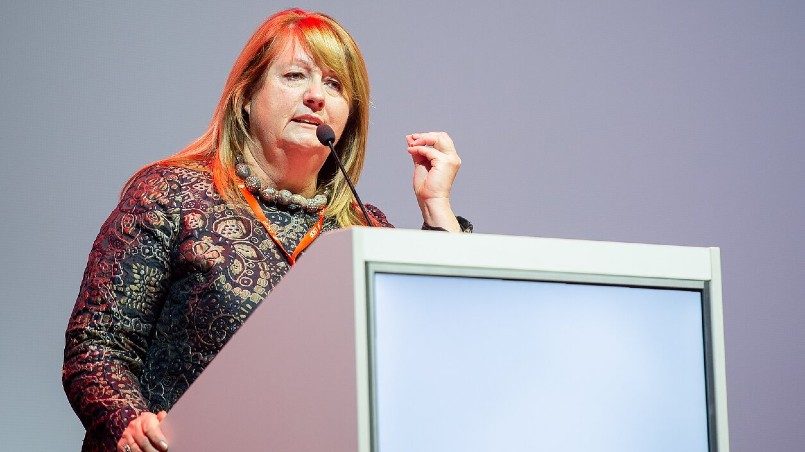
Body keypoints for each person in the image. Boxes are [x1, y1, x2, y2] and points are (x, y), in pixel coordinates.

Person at [62, 8, 471, 452]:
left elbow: (436, 350)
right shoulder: (172, 194)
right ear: (246, 96)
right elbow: (98, 344)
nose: (316, 96)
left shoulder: (362, 229)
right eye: (295, 75)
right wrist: (129, 423)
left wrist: (436, 207)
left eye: (335, 84)